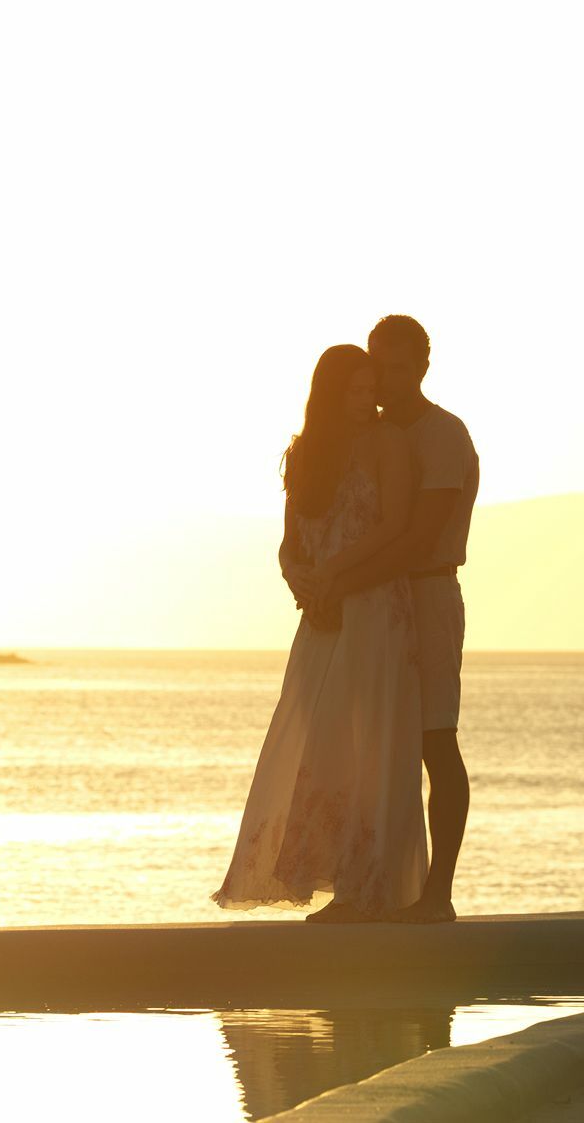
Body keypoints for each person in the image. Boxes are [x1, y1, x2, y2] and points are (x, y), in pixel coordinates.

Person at [212, 345, 427, 921]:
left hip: (375, 611)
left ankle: (370, 888)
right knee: (317, 747)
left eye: (369, 390)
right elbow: (289, 540)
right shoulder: (306, 452)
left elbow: (395, 526)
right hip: (323, 615)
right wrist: (298, 576)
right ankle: (338, 884)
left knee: (371, 748)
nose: (367, 401)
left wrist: (335, 573)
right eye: (354, 392)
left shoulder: (389, 444)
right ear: (330, 394)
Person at [300, 315, 478, 923]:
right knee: (365, 747)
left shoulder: (443, 436)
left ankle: (436, 896)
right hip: (374, 607)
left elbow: (415, 537)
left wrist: (339, 583)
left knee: (435, 741)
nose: (387, 380)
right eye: (380, 366)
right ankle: (362, 889)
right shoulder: (366, 436)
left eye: (399, 368)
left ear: (424, 366)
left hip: (426, 597)